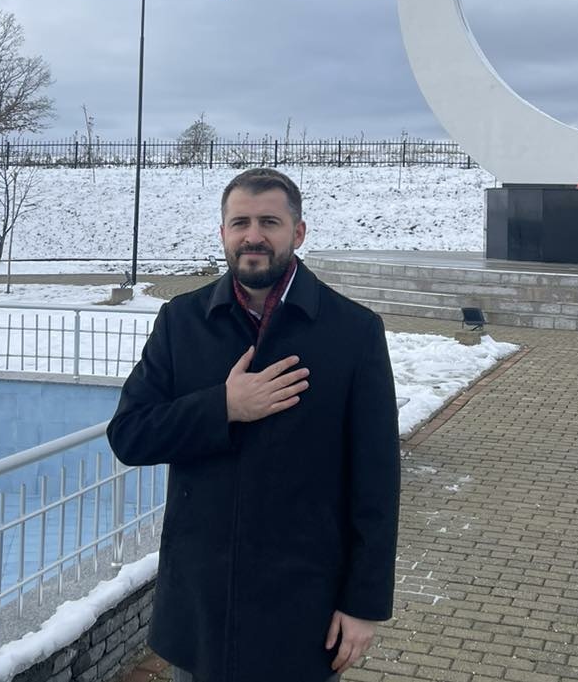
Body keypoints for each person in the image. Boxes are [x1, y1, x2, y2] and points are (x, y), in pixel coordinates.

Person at [107, 167, 400, 682]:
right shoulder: (182, 321)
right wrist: (223, 406)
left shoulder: (353, 332)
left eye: (270, 222)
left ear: (298, 233)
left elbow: (376, 481)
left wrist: (364, 603)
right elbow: (130, 434)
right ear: (223, 232)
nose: (253, 236)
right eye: (240, 222)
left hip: (304, 609)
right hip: (202, 606)